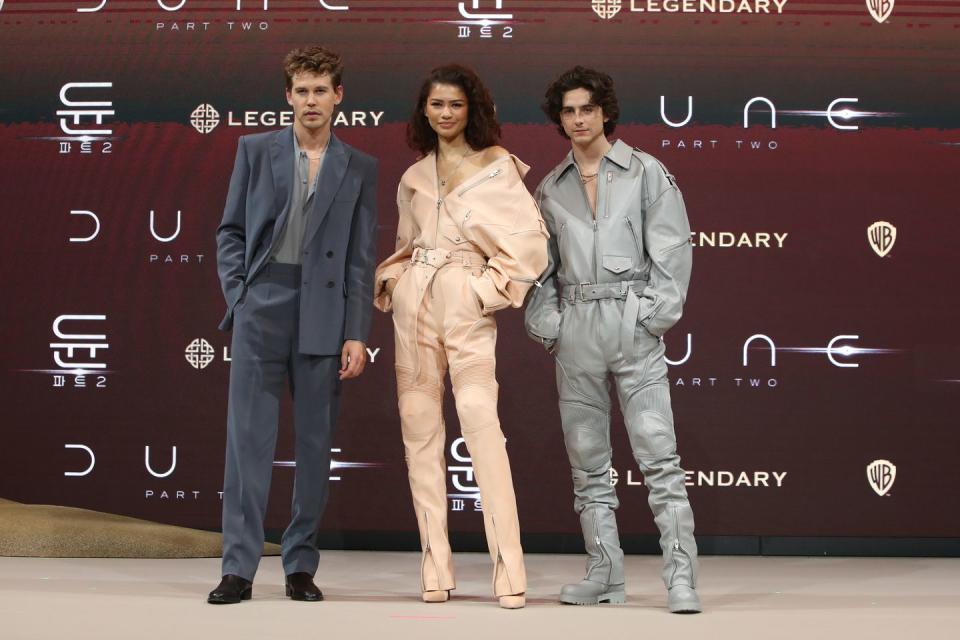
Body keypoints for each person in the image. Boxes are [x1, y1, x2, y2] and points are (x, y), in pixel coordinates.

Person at [524, 66, 701, 613]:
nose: (578, 119)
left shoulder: (647, 173)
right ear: (560, 118)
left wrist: (649, 319)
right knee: (587, 462)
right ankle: (604, 573)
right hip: (576, 329)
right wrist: (551, 328)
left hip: (633, 327)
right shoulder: (549, 189)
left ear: (605, 112)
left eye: (587, 109)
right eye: (568, 111)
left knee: (659, 457)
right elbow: (536, 270)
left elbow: (672, 254)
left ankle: (680, 577)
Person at [373, 64, 548, 609]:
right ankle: (435, 570)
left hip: (465, 303)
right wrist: (396, 281)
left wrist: (482, 290)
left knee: (480, 423)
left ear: (472, 108)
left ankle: (509, 572)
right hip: (415, 306)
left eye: (455, 104)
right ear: (423, 110)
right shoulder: (414, 176)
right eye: (436, 104)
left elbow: (530, 247)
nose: (445, 113)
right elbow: (405, 241)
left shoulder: (497, 169)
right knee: (418, 427)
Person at [209, 45, 378, 604]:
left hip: (325, 309)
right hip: (265, 303)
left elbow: (360, 257)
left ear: (338, 96)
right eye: (301, 90)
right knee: (247, 443)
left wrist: (357, 331)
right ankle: (238, 568)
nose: (311, 100)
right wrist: (241, 293)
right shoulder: (254, 151)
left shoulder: (358, 166)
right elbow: (230, 231)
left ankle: (300, 565)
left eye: (321, 90)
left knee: (314, 443)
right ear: (288, 96)